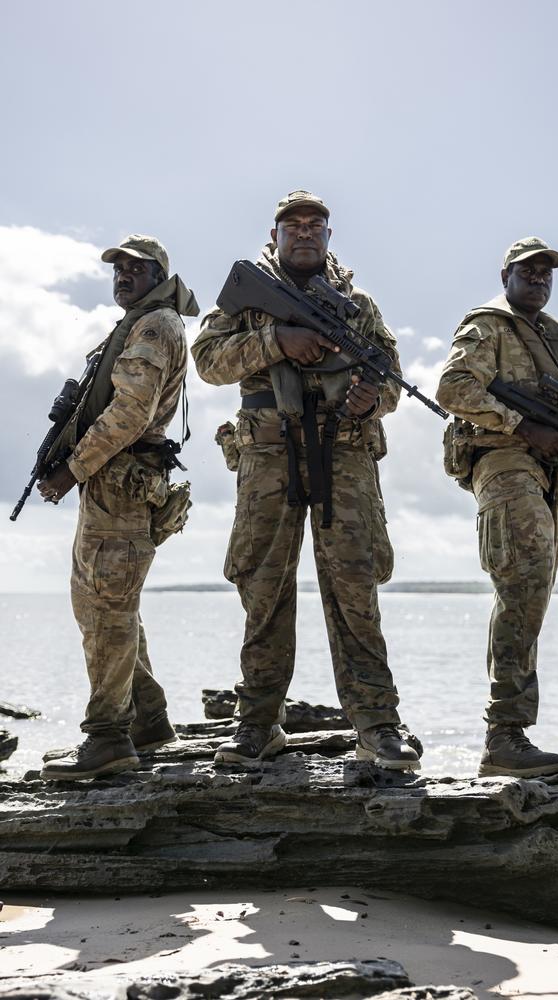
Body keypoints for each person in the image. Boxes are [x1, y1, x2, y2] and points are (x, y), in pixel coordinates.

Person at [192, 189, 420, 771]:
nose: (303, 232)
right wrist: (275, 341)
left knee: (354, 590)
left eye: (315, 224)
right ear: (274, 236)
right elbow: (208, 359)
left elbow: (391, 376)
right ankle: (258, 723)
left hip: (344, 455)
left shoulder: (357, 303)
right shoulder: (248, 294)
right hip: (268, 455)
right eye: (291, 224)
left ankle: (377, 724)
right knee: (263, 588)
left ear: (328, 236)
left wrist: (373, 399)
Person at [436, 237, 558, 778]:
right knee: (524, 578)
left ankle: (510, 733)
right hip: (503, 462)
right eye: (528, 270)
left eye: (546, 273)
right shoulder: (488, 325)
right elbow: (453, 387)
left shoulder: (556, 340)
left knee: (533, 593)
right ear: (506, 276)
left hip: (549, 473)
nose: (539, 278)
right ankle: (504, 734)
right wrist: (522, 425)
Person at [39, 234, 199, 781]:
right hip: (116, 482)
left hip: (121, 479)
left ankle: (108, 737)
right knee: (107, 603)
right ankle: (149, 721)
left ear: (160, 275)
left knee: (105, 609)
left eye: (137, 268)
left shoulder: (155, 324)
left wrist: (70, 469)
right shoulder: (141, 322)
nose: (124, 276)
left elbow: (131, 413)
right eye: (119, 269)